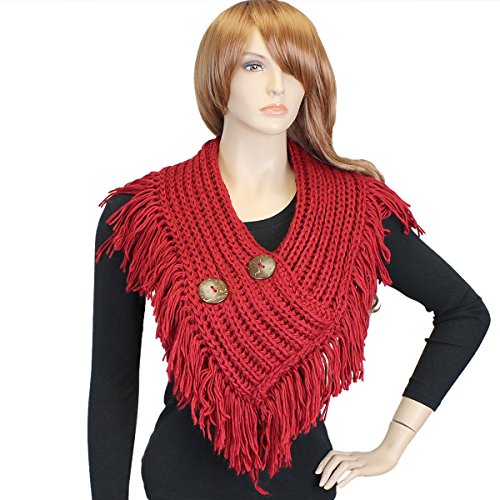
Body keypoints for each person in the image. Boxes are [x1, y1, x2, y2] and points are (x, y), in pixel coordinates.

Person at [87, 1, 491, 499]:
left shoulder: (353, 210)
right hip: (181, 480)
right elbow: (113, 381)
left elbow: (465, 312)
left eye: (293, 67)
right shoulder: (145, 214)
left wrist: (392, 445)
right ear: (218, 76)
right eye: (254, 66)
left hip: (303, 481)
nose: (278, 85)